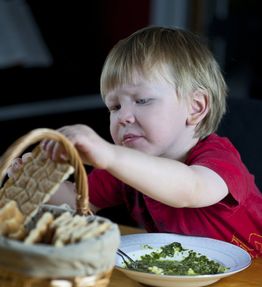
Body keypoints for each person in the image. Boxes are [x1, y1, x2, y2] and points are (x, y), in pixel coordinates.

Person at [9, 26, 262, 258]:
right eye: (114, 106)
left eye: (142, 100)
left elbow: (190, 189)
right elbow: (80, 202)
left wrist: (109, 155)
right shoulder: (126, 168)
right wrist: (38, 181)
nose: (123, 117)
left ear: (195, 107)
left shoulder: (219, 159)